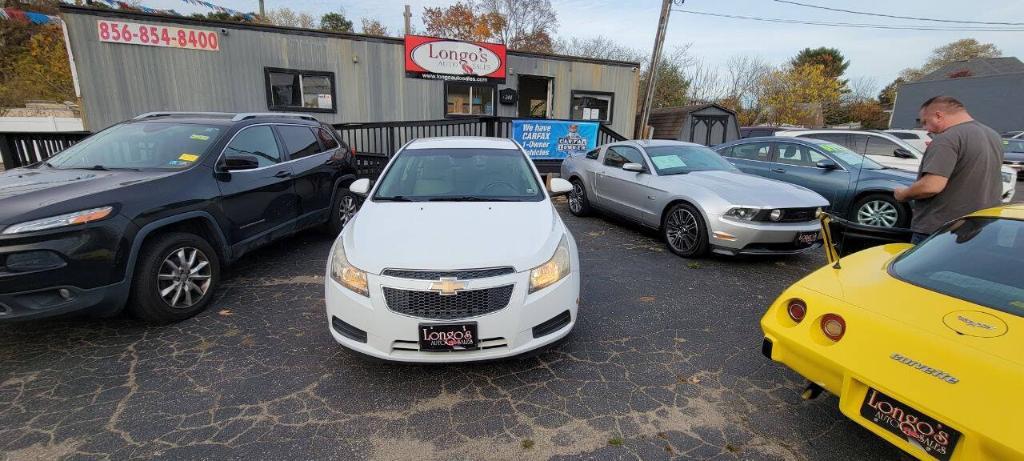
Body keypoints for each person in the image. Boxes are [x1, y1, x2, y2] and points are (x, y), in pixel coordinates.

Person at [893, 96, 1004, 244]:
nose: (925, 128)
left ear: (939, 115)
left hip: (942, 232)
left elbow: (931, 186)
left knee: (925, 268)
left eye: (925, 122)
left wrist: (903, 194)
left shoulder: (947, 138)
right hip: (982, 228)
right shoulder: (993, 135)